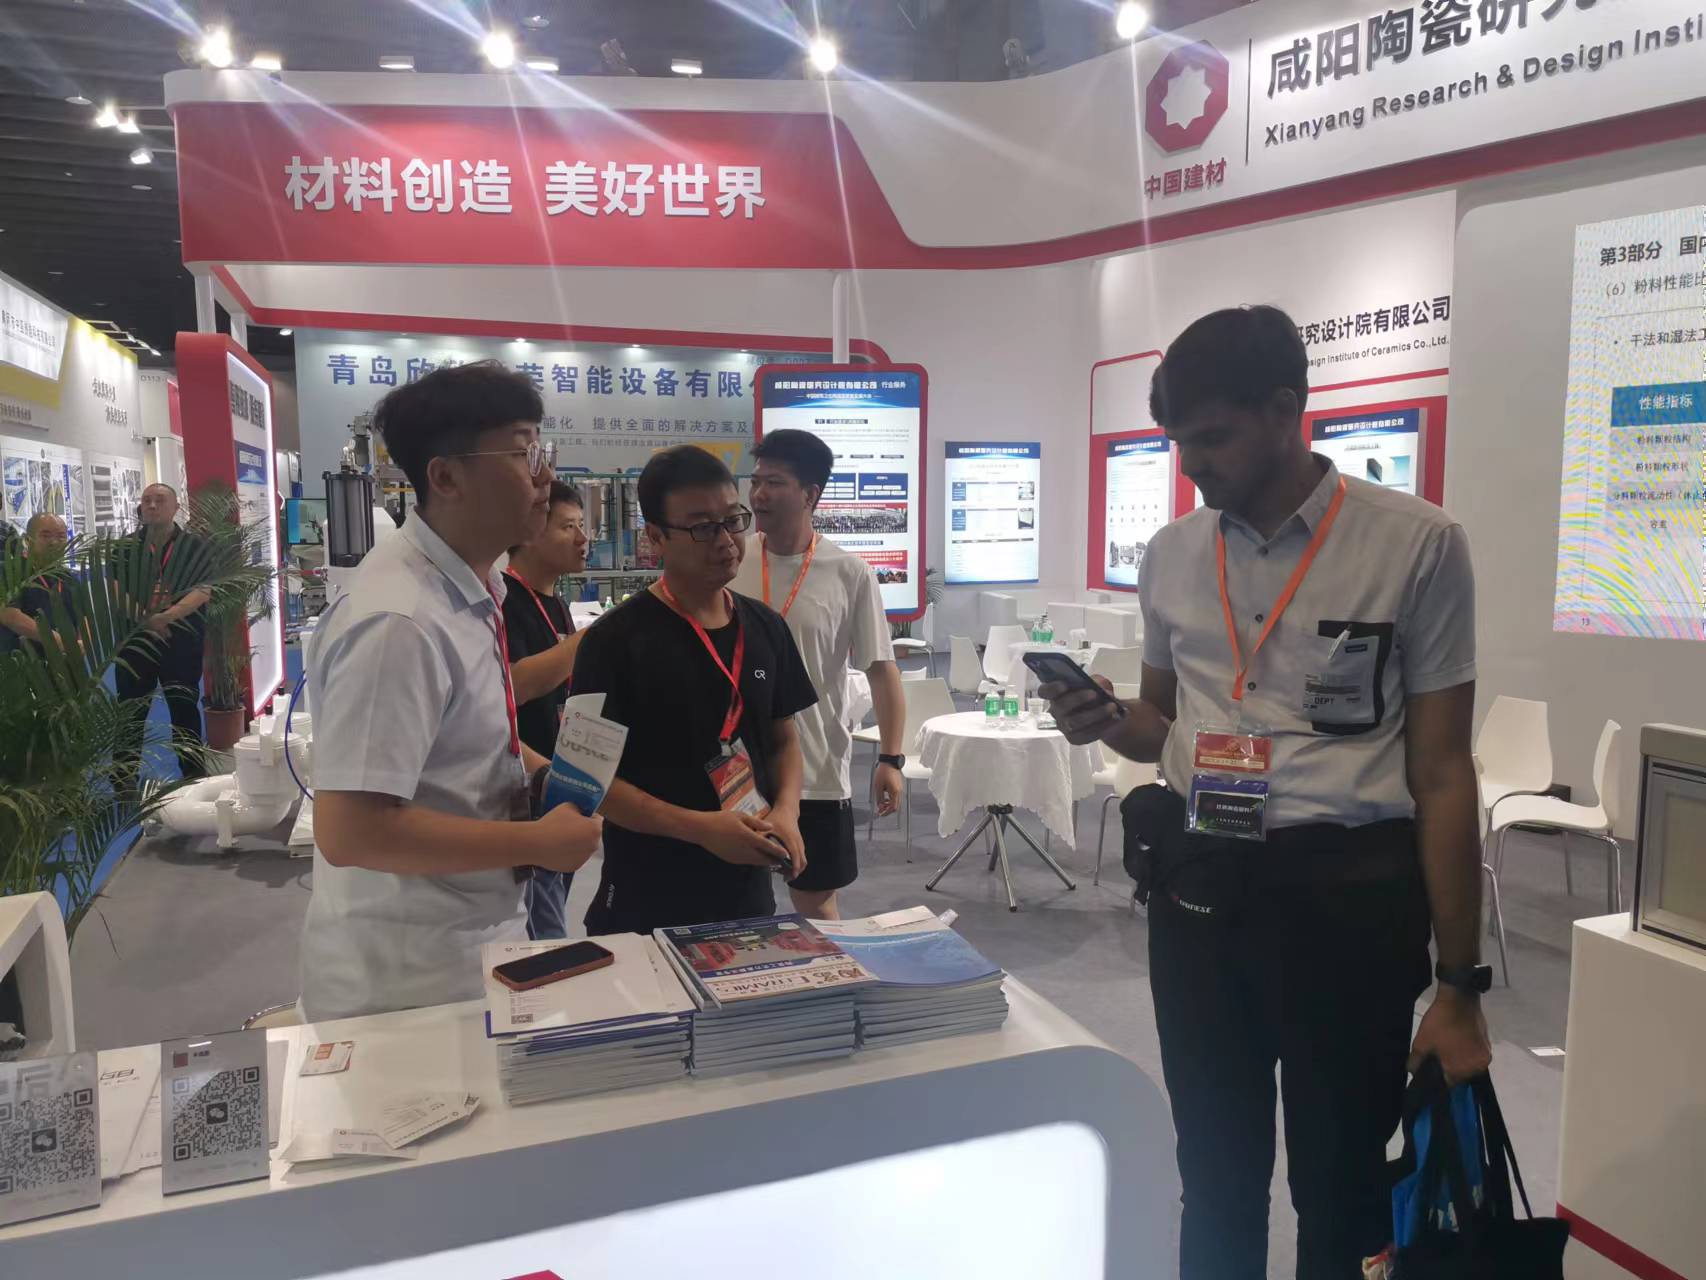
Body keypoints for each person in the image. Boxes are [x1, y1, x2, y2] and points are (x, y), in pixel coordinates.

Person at [1044, 305, 1490, 1280]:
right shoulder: (1172, 553)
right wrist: (1102, 717)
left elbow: (1442, 769)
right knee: (1212, 1172)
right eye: (1179, 441)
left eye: (1213, 437)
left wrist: (1459, 984)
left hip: (1349, 899)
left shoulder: (1414, 543)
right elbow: (1161, 722)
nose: (1192, 463)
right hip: (1201, 887)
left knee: (1340, 1186)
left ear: (1286, 410)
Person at [300, 361, 604, 1021]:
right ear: (445, 477)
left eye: (543, 452)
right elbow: (352, 831)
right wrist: (537, 843)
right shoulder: (399, 620)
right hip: (408, 983)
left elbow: (470, 734)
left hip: (472, 939)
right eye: (524, 455)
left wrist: (541, 774)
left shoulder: (475, 586)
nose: (544, 479)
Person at [570, 444, 817, 936]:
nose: (725, 540)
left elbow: (783, 738)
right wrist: (699, 828)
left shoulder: (765, 626)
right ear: (656, 537)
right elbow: (587, 780)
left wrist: (787, 812)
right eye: (703, 528)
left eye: (733, 520)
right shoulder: (614, 640)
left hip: (748, 895)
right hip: (646, 900)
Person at [731, 428, 904, 919]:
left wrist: (891, 758)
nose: (759, 494)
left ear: (810, 495)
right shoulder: (731, 559)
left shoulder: (848, 572)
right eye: (756, 481)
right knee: (734, 911)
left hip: (817, 770)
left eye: (775, 483)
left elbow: (881, 670)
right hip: (731, 771)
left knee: (818, 908)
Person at [501, 479, 591, 939]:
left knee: (552, 903)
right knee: (541, 928)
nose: (583, 538)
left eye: (583, 525)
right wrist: (587, 642)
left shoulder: (555, 604)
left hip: (558, 784)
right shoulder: (504, 601)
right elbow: (512, 686)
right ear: (532, 529)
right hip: (522, 787)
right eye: (568, 526)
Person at [116, 485, 212, 780]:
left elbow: (204, 589)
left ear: (176, 508)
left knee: (184, 710)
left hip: (181, 640)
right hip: (137, 643)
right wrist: (148, 621)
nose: (152, 506)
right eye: (147, 500)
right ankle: (123, 779)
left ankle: (192, 774)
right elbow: (116, 589)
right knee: (130, 713)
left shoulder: (194, 546)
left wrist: (168, 617)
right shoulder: (125, 547)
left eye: (160, 500)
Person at [0, 513, 75, 656]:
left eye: (61, 536)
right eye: (45, 536)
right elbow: (8, 615)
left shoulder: (68, 577)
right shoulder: (10, 570)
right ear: (28, 540)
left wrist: (82, 644)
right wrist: (59, 642)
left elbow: (83, 617)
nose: (54, 542)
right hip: (23, 663)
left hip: (66, 662)